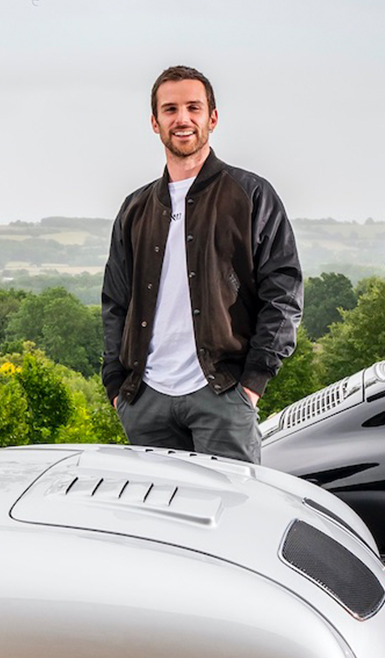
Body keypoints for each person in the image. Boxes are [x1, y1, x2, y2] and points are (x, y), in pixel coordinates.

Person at [101, 65, 302, 463]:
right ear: (155, 123)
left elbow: (283, 292)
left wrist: (253, 381)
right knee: (158, 520)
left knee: (233, 515)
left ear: (212, 117)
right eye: (170, 109)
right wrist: (115, 384)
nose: (182, 119)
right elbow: (115, 301)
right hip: (146, 401)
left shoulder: (251, 194)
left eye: (193, 107)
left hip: (223, 394)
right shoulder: (135, 208)